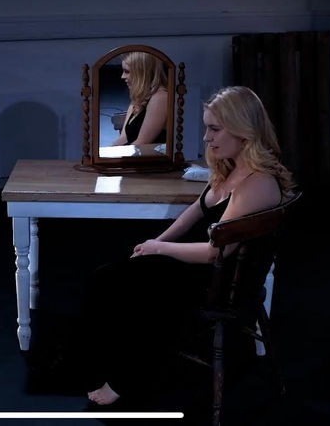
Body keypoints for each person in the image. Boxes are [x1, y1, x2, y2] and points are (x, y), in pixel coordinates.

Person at [78, 86, 297, 407]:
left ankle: (125, 376)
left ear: (243, 130)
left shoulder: (258, 183)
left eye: (215, 129)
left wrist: (161, 250)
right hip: (198, 262)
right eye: (207, 128)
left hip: (218, 280)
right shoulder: (231, 167)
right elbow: (194, 212)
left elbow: (215, 253)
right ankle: (102, 361)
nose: (207, 137)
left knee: (120, 284)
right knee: (106, 276)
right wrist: (157, 241)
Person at [110, 52, 169, 146]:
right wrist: (108, 150)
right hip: (133, 152)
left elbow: (141, 144)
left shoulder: (160, 98)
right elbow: (124, 137)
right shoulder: (139, 96)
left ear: (142, 72)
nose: (122, 76)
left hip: (145, 154)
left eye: (127, 71)